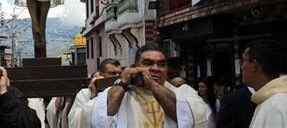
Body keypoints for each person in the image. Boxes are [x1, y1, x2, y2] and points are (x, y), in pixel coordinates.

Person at [83, 44, 211, 127]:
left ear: (167, 70)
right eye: (148, 63)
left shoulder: (183, 93)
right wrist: (123, 82)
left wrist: (151, 85)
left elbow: (192, 119)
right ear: (135, 67)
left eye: (161, 64)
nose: (155, 68)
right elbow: (100, 121)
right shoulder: (120, 93)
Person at [240, 39, 287, 127]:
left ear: (254, 65)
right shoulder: (269, 101)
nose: (241, 66)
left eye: (243, 61)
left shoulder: (277, 104)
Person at [68, 58, 122, 127]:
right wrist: (94, 97)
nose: (117, 76)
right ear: (101, 74)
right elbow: (74, 119)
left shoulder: (122, 92)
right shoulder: (84, 93)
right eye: (113, 73)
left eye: (120, 73)